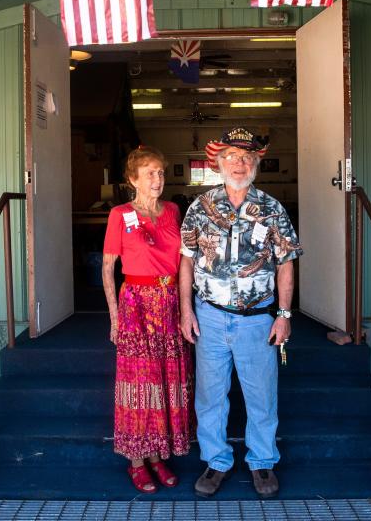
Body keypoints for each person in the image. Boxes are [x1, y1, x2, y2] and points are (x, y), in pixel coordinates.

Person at [179, 127, 302, 499]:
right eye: (232, 156)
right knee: (210, 395)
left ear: (256, 164)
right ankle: (216, 461)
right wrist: (185, 310)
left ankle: (262, 461)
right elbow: (185, 263)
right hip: (211, 316)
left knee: (261, 394)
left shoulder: (272, 208)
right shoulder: (200, 208)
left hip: (258, 319)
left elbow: (285, 264)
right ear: (218, 163)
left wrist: (284, 314)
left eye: (247, 157)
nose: (240, 163)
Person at [102, 146, 193, 493]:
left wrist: (188, 307)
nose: (157, 179)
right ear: (132, 179)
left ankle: (157, 455)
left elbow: (185, 259)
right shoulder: (119, 214)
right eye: (150, 173)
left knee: (166, 382)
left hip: (169, 303)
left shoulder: (172, 210)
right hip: (136, 305)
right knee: (139, 385)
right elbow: (108, 268)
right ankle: (137, 461)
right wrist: (114, 318)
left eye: (161, 172)